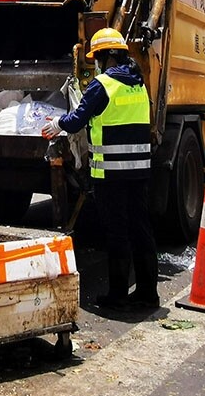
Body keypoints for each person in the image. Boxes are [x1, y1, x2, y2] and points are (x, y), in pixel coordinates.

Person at [42, 28, 159, 311]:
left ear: (105, 57)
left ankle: (117, 295)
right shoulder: (138, 83)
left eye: (96, 57)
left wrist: (56, 125)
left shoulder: (102, 84)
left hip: (111, 173)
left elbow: (78, 120)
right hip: (139, 170)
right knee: (141, 229)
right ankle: (147, 293)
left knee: (117, 232)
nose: (94, 63)